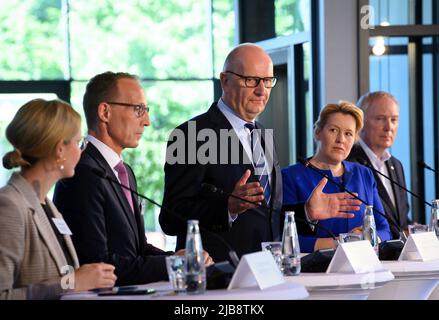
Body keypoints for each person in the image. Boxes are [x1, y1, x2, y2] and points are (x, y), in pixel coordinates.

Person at [159, 44, 361, 262]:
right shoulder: (191, 134)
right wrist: (226, 208)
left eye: (267, 81)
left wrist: (306, 211)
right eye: (251, 80)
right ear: (225, 81)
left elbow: (265, 215)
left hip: (266, 269)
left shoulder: (263, 134)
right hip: (220, 274)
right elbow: (171, 218)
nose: (261, 90)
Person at [53, 72, 212, 286]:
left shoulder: (123, 170)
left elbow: (138, 249)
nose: (146, 121)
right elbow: (98, 264)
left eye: (146, 111)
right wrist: (173, 264)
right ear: (105, 111)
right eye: (139, 110)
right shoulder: (82, 173)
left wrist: (181, 259)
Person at [0, 99, 117, 300]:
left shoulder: (46, 204)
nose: (81, 151)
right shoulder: (10, 205)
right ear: (59, 150)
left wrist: (86, 279)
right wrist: (73, 282)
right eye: (78, 143)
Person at [282, 102, 392, 252]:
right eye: (333, 130)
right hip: (314, 270)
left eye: (348, 133)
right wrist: (341, 243)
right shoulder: (290, 176)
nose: (341, 139)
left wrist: (370, 237)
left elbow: (385, 229)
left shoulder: (364, 174)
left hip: (361, 266)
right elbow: (285, 239)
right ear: (318, 132)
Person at [347, 91, 409, 239]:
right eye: (380, 119)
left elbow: (400, 221)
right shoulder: (349, 163)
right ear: (360, 123)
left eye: (394, 120)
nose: (389, 127)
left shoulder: (396, 165)